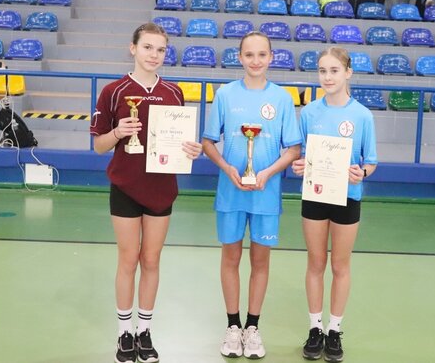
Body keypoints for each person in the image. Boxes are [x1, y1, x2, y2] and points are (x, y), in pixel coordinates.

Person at [90, 22, 203, 363]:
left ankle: (145, 330)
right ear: (133, 48)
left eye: (160, 49)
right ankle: (124, 333)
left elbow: (179, 141)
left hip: (161, 188)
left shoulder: (174, 92)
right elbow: (98, 146)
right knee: (128, 259)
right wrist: (118, 132)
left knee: (151, 260)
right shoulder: (113, 91)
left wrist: (191, 149)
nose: (154, 55)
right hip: (125, 185)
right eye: (148, 47)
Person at [202, 31, 302, 359]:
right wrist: (228, 168)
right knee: (230, 258)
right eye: (249, 54)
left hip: (265, 194)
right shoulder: (225, 94)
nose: (255, 61)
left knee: (260, 261)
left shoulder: (283, 98)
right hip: (230, 193)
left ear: (271, 57)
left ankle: (253, 327)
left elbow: (293, 149)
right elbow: (207, 142)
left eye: (261, 54)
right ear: (239, 57)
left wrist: (267, 173)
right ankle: (233, 326)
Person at [292, 47, 378, 363]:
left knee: (340, 266)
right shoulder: (309, 113)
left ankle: (334, 330)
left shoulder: (363, 115)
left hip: (347, 198)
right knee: (315, 263)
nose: (327, 77)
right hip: (315, 195)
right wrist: (299, 166)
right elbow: (301, 155)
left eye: (334, 70)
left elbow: (371, 161)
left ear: (347, 73)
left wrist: (362, 172)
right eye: (322, 71)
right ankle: (315, 328)